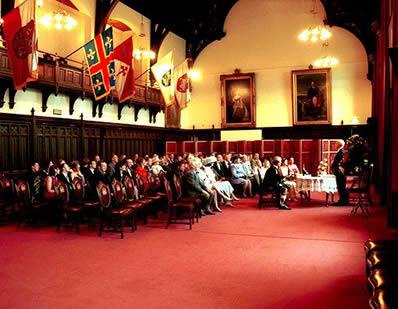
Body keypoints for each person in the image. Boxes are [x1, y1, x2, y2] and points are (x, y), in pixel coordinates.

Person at [331, 140, 349, 206]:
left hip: (340, 172)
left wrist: (335, 168)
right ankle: (341, 200)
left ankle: (343, 201)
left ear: (338, 144)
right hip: (339, 172)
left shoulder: (341, 151)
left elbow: (340, 162)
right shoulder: (340, 151)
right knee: (340, 186)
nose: (334, 145)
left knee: (341, 186)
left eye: (335, 144)